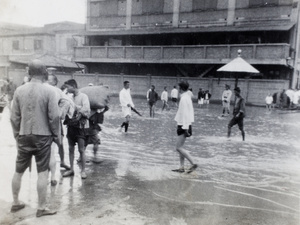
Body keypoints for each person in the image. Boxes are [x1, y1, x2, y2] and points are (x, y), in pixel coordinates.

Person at [10, 59, 60, 217]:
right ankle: (41, 207)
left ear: (28, 72)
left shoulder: (19, 90)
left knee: (18, 171)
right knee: (42, 172)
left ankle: (16, 202)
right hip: (43, 136)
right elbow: (54, 117)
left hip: (24, 135)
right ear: (44, 73)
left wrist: (17, 135)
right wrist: (56, 135)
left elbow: (14, 117)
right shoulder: (50, 91)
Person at [44, 74, 74, 186]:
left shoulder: (42, 88)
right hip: (54, 123)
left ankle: (47, 177)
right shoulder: (57, 91)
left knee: (46, 152)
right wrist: (61, 114)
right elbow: (68, 103)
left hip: (42, 124)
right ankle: (52, 177)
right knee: (52, 149)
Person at [62, 79, 90, 179]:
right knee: (70, 148)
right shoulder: (69, 97)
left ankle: (83, 171)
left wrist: (75, 106)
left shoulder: (83, 96)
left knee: (81, 150)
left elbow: (86, 109)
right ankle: (71, 169)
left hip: (80, 127)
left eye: (68, 87)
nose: (67, 89)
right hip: (71, 126)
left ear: (73, 86)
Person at [172, 81, 197, 173]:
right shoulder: (187, 97)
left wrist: (185, 128)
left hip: (184, 125)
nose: (178, 89)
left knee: (178, 148)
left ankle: (193, 163)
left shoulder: (184, 98)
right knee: (180, 147)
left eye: (179, 88)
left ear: (181, 88)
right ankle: (181, 167)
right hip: (185, 124)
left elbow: (185, 114)